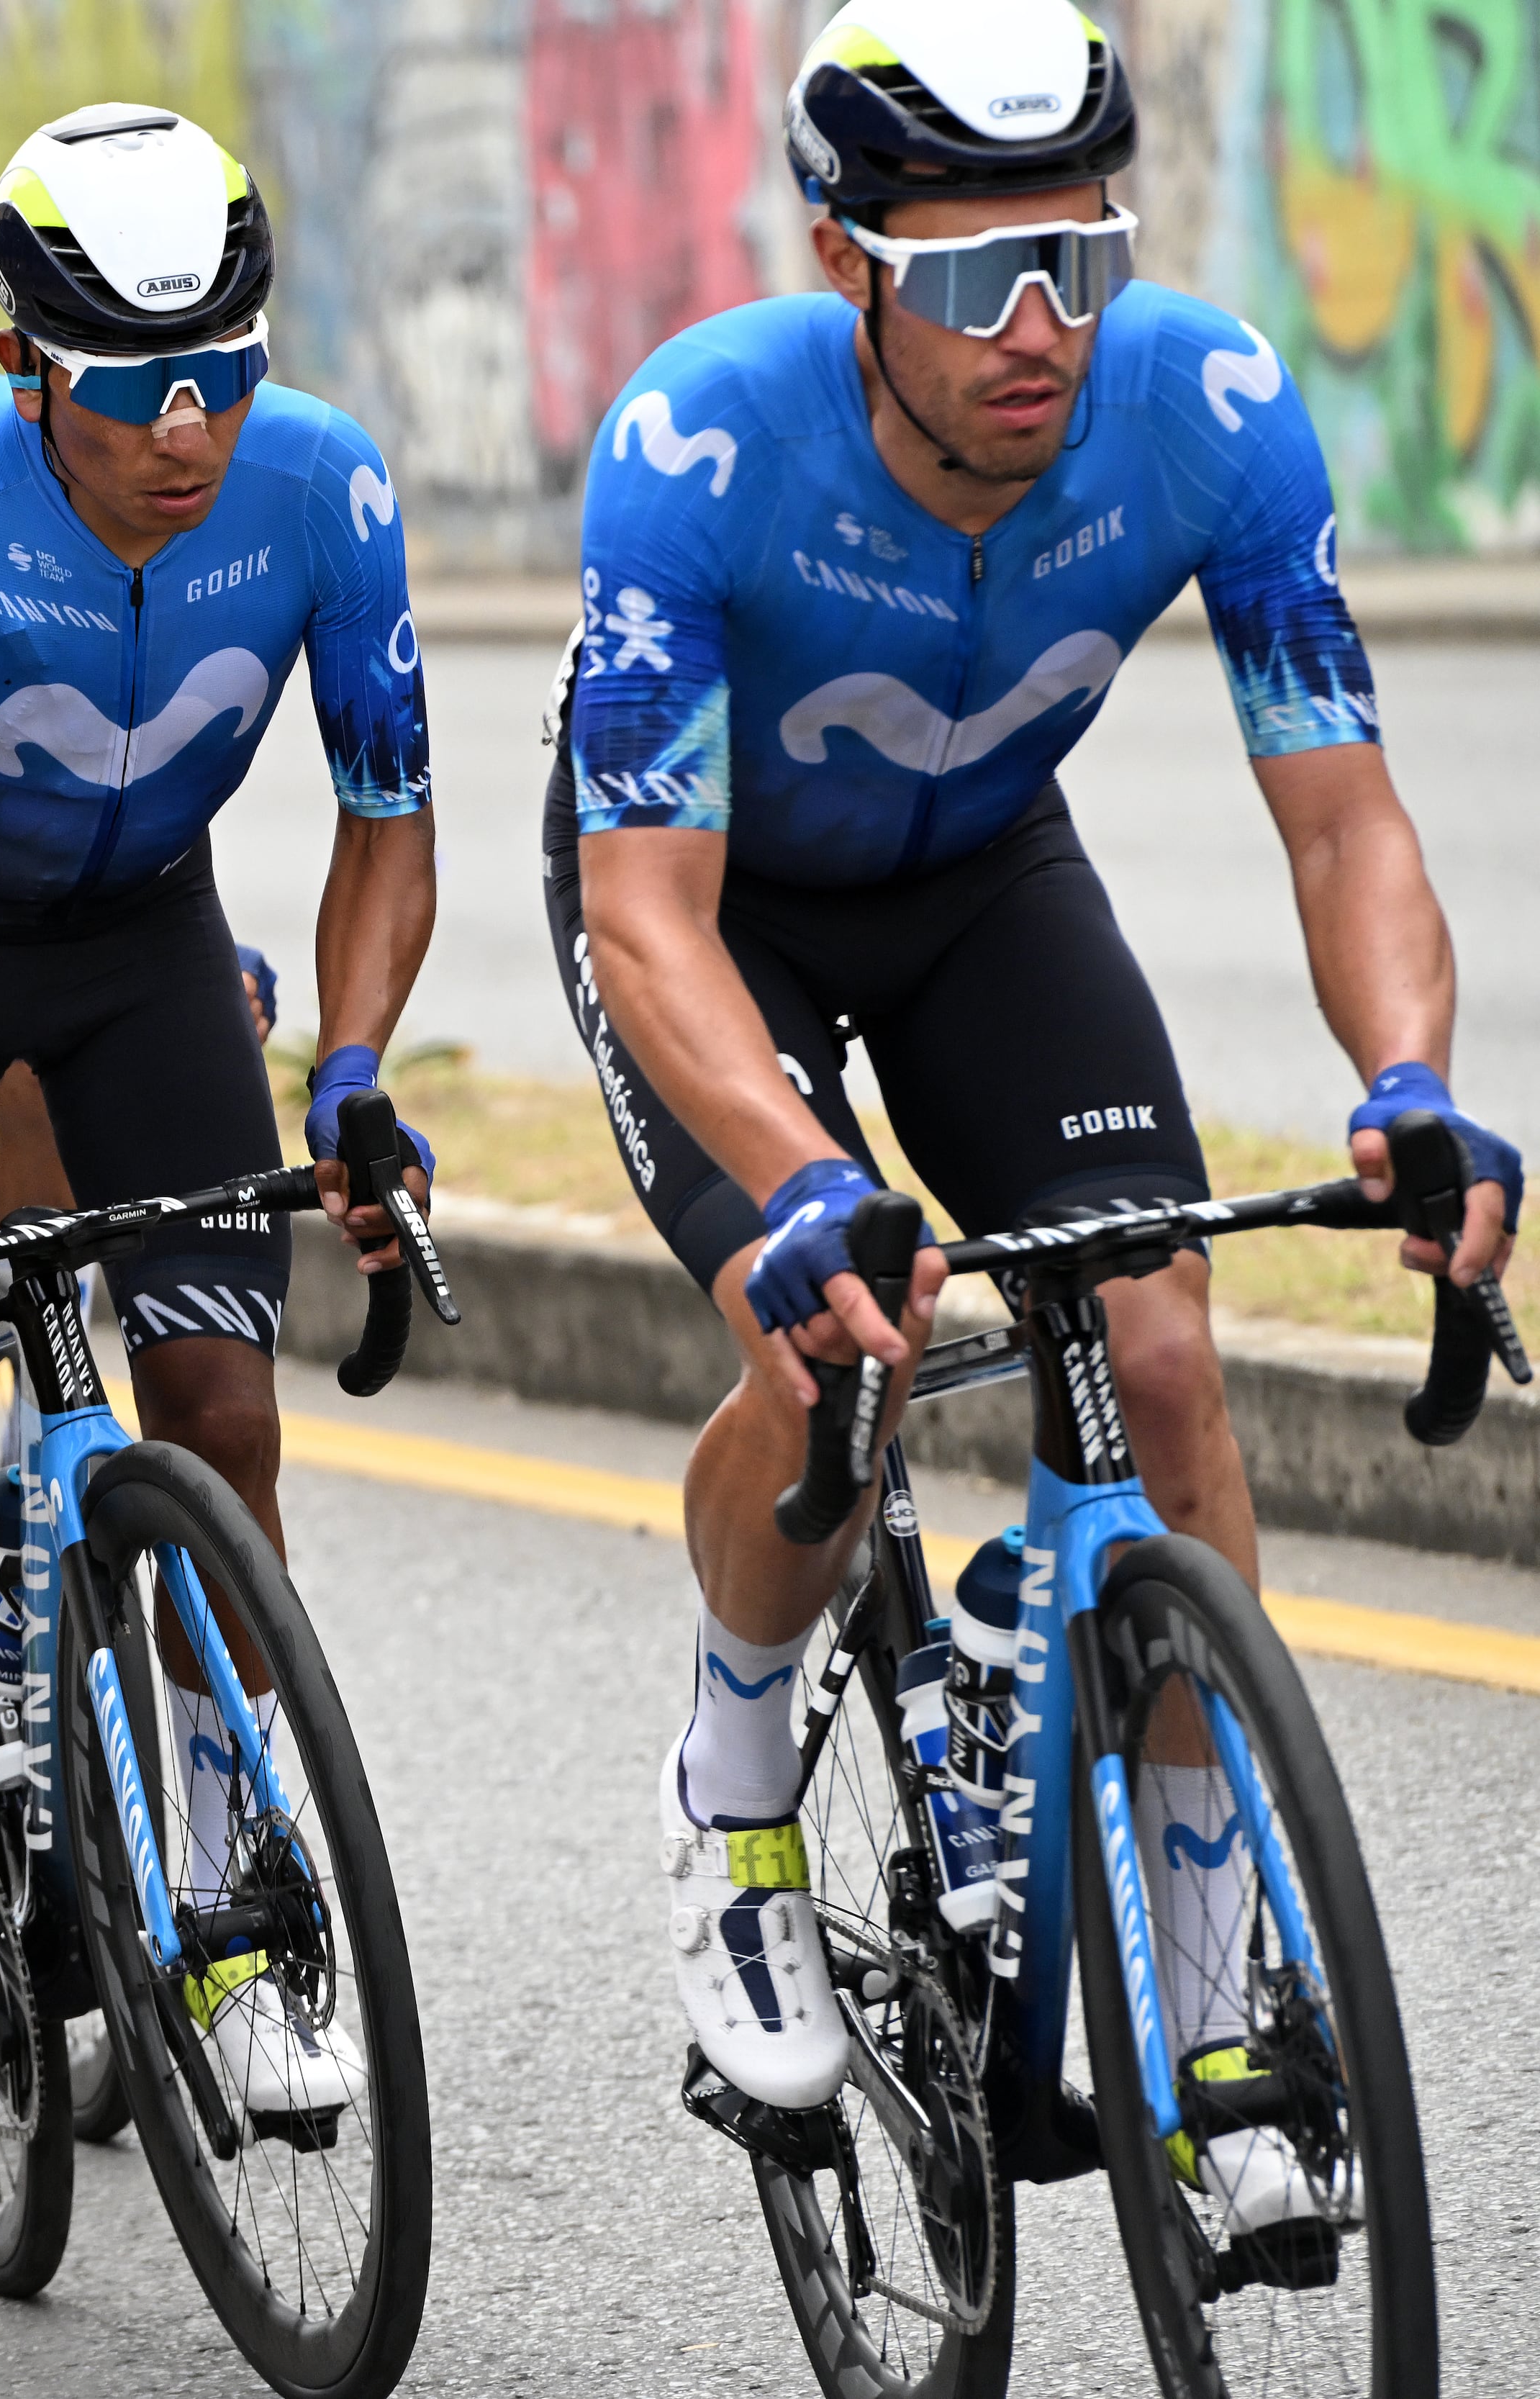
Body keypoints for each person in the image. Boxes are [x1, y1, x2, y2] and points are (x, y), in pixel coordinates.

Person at [561, 0, 1516, 2237]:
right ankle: (732, 1788)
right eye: (979, 272)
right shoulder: (698, 442)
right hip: (715, 902)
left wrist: (1409, 1080)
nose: (1038, 326)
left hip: (985, 875)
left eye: (1078, 260)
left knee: (1162, 1349)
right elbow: (637, 913)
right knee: (833, 1337)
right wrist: (805, 1182)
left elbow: (1343, 816)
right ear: (842, 260)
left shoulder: (1205, 410)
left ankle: (1215, 1989)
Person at [0, 103, 436, 2117]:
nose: (186, 429)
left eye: (224, 369)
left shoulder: (323, 483)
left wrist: (352, 1064)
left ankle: (223, 1884)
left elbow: (389, 814)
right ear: (24, 368)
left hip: (141, 946)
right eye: (133, 387)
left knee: (223, 1414)